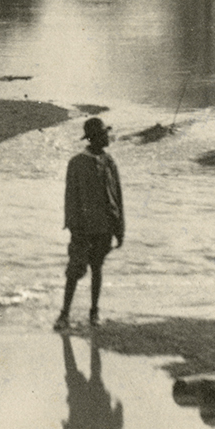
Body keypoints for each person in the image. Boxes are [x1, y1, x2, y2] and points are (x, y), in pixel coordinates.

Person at [56, 117, 124, 329]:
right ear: (95, 138)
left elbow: (117, 197)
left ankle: (94, 313)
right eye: (104, 134)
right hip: (83, 229)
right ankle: (64, 314)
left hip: (104, 228)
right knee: (75, 271)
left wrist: (119, 229)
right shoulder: (76, 163)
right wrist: (74, 226)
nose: (108, 137)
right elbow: (70, 198)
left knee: (97, 268)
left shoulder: (110, 162)